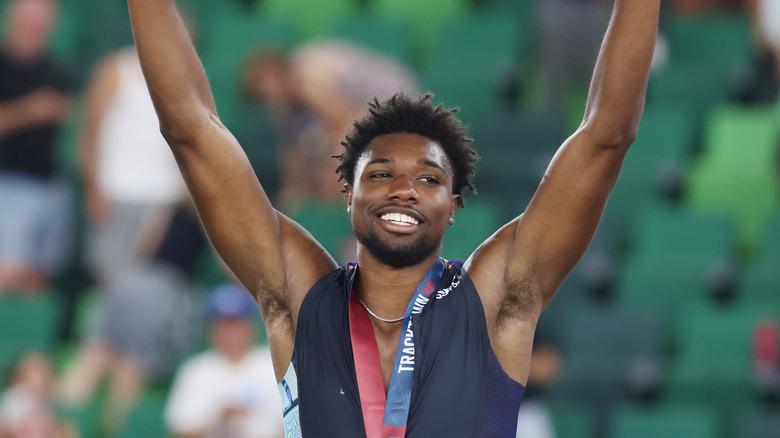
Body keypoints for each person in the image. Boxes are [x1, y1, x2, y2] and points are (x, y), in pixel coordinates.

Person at [126, 0, 658, 435]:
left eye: (429, 179)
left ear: (452, 208)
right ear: (348, 194)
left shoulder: (498, 300)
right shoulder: (300, 296)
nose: (403, 190)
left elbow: (605, 135)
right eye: (379, 174)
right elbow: (191, 129)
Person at [57, 46, 196, 433]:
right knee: (114, 293)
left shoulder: (180, 71)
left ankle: (111, 408)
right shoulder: (115, 67)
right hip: (117, 193)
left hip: (162, 200)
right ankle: (93, 400)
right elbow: (92, 124)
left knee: (140, 300)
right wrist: (92, 183)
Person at [244, 40, 418, 212]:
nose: (271, 99)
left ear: (280, 75)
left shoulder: (308, 79)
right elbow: (293, 149)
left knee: (337, 174)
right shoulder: (283, 103)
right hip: (362, 111)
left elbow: (345, 125)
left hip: (396, 100)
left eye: (270, 88)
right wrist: (291, 193)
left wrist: (332, 169)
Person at [0, 0, 72, 293]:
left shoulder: (57, 72)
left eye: (40, 21)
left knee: (38, 277)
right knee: (8, 271)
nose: (34, 28)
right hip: (9, 185)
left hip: (50, 187)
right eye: (28, 20)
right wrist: (30, 110)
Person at [165, 284, 283, 438]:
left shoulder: (274, 365)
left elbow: (296, 424)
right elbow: (179, 432)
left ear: (251, 326)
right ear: (210, 328)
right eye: (225, 324)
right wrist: (219, 419)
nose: (231, 332)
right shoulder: (195, 370)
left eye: (236, 323)